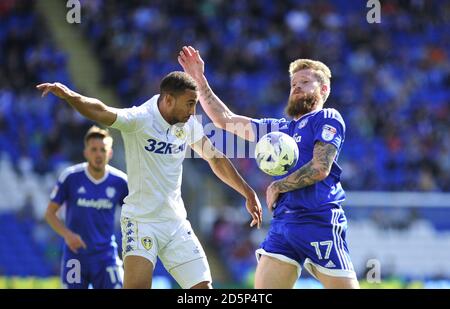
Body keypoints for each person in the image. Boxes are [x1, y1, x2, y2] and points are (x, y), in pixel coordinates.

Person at [36, 71, 262, 289]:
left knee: (202, 288)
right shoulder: (140, 119)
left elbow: (215, 158)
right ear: (169, 100)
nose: (193, 111)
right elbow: (101, 111)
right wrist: (70, 96)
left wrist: (248, 192)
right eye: (190, 103)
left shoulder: (188, 124)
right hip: (141, 222)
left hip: (175, 223)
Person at [178, 46, 360, 288]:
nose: (296, 87)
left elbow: (321, 167)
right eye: (294, 83)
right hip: (284, 224)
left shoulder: (327, 117)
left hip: (319, 221)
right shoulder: (278, 129)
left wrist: (279, 185)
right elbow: (225, 119)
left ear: (323, 89)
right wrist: (199, 79)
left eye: (305, 82)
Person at [45, 126, 128, 289]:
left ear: (110, 153)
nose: (98, 154)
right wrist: (67, 235)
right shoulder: (70, 177)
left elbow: (135, 214)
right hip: (75, 256)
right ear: (86, 153)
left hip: (106, 256)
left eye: (103, 150)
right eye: (94, 149)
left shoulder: (120, 182)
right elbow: (50, 214)